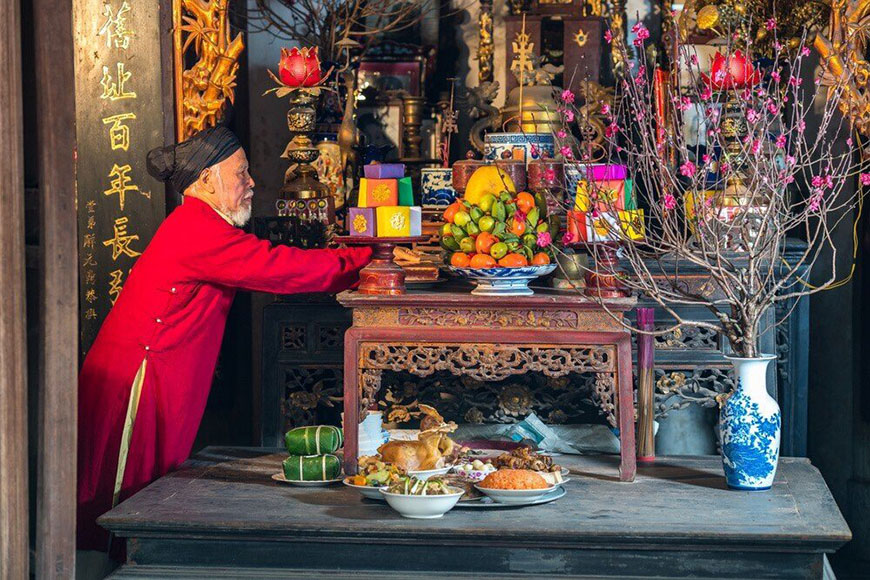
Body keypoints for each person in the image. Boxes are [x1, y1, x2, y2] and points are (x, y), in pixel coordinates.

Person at [76, 126, 371, 552]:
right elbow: (282, 269)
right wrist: (366, 258)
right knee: (123, 495)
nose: (251, 183)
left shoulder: (202, 225)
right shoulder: (197, 229)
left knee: (145, 488)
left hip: (156, 371)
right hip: (138, 378)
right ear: (205, 181)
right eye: (241, 173)